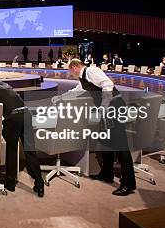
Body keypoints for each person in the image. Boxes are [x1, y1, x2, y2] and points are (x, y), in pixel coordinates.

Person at [53, 59, 136, 196]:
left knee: (120, 144)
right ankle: (107, 173)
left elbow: (107, 84)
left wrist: (104, 106)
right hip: (107, 109)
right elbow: (76, 91)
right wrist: (60, 97)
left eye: (70, 71)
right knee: (105, 141)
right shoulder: (84, 78)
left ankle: (128, 183)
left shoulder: (91, 71)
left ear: (74, 67)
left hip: (113, 107)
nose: (70, 74)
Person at [0, 72, 45, 197]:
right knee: (30, 150)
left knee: (11, 150)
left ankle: (10, 183)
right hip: (26, 114)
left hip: (13, 118)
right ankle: (39, 184)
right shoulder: (6, 85)